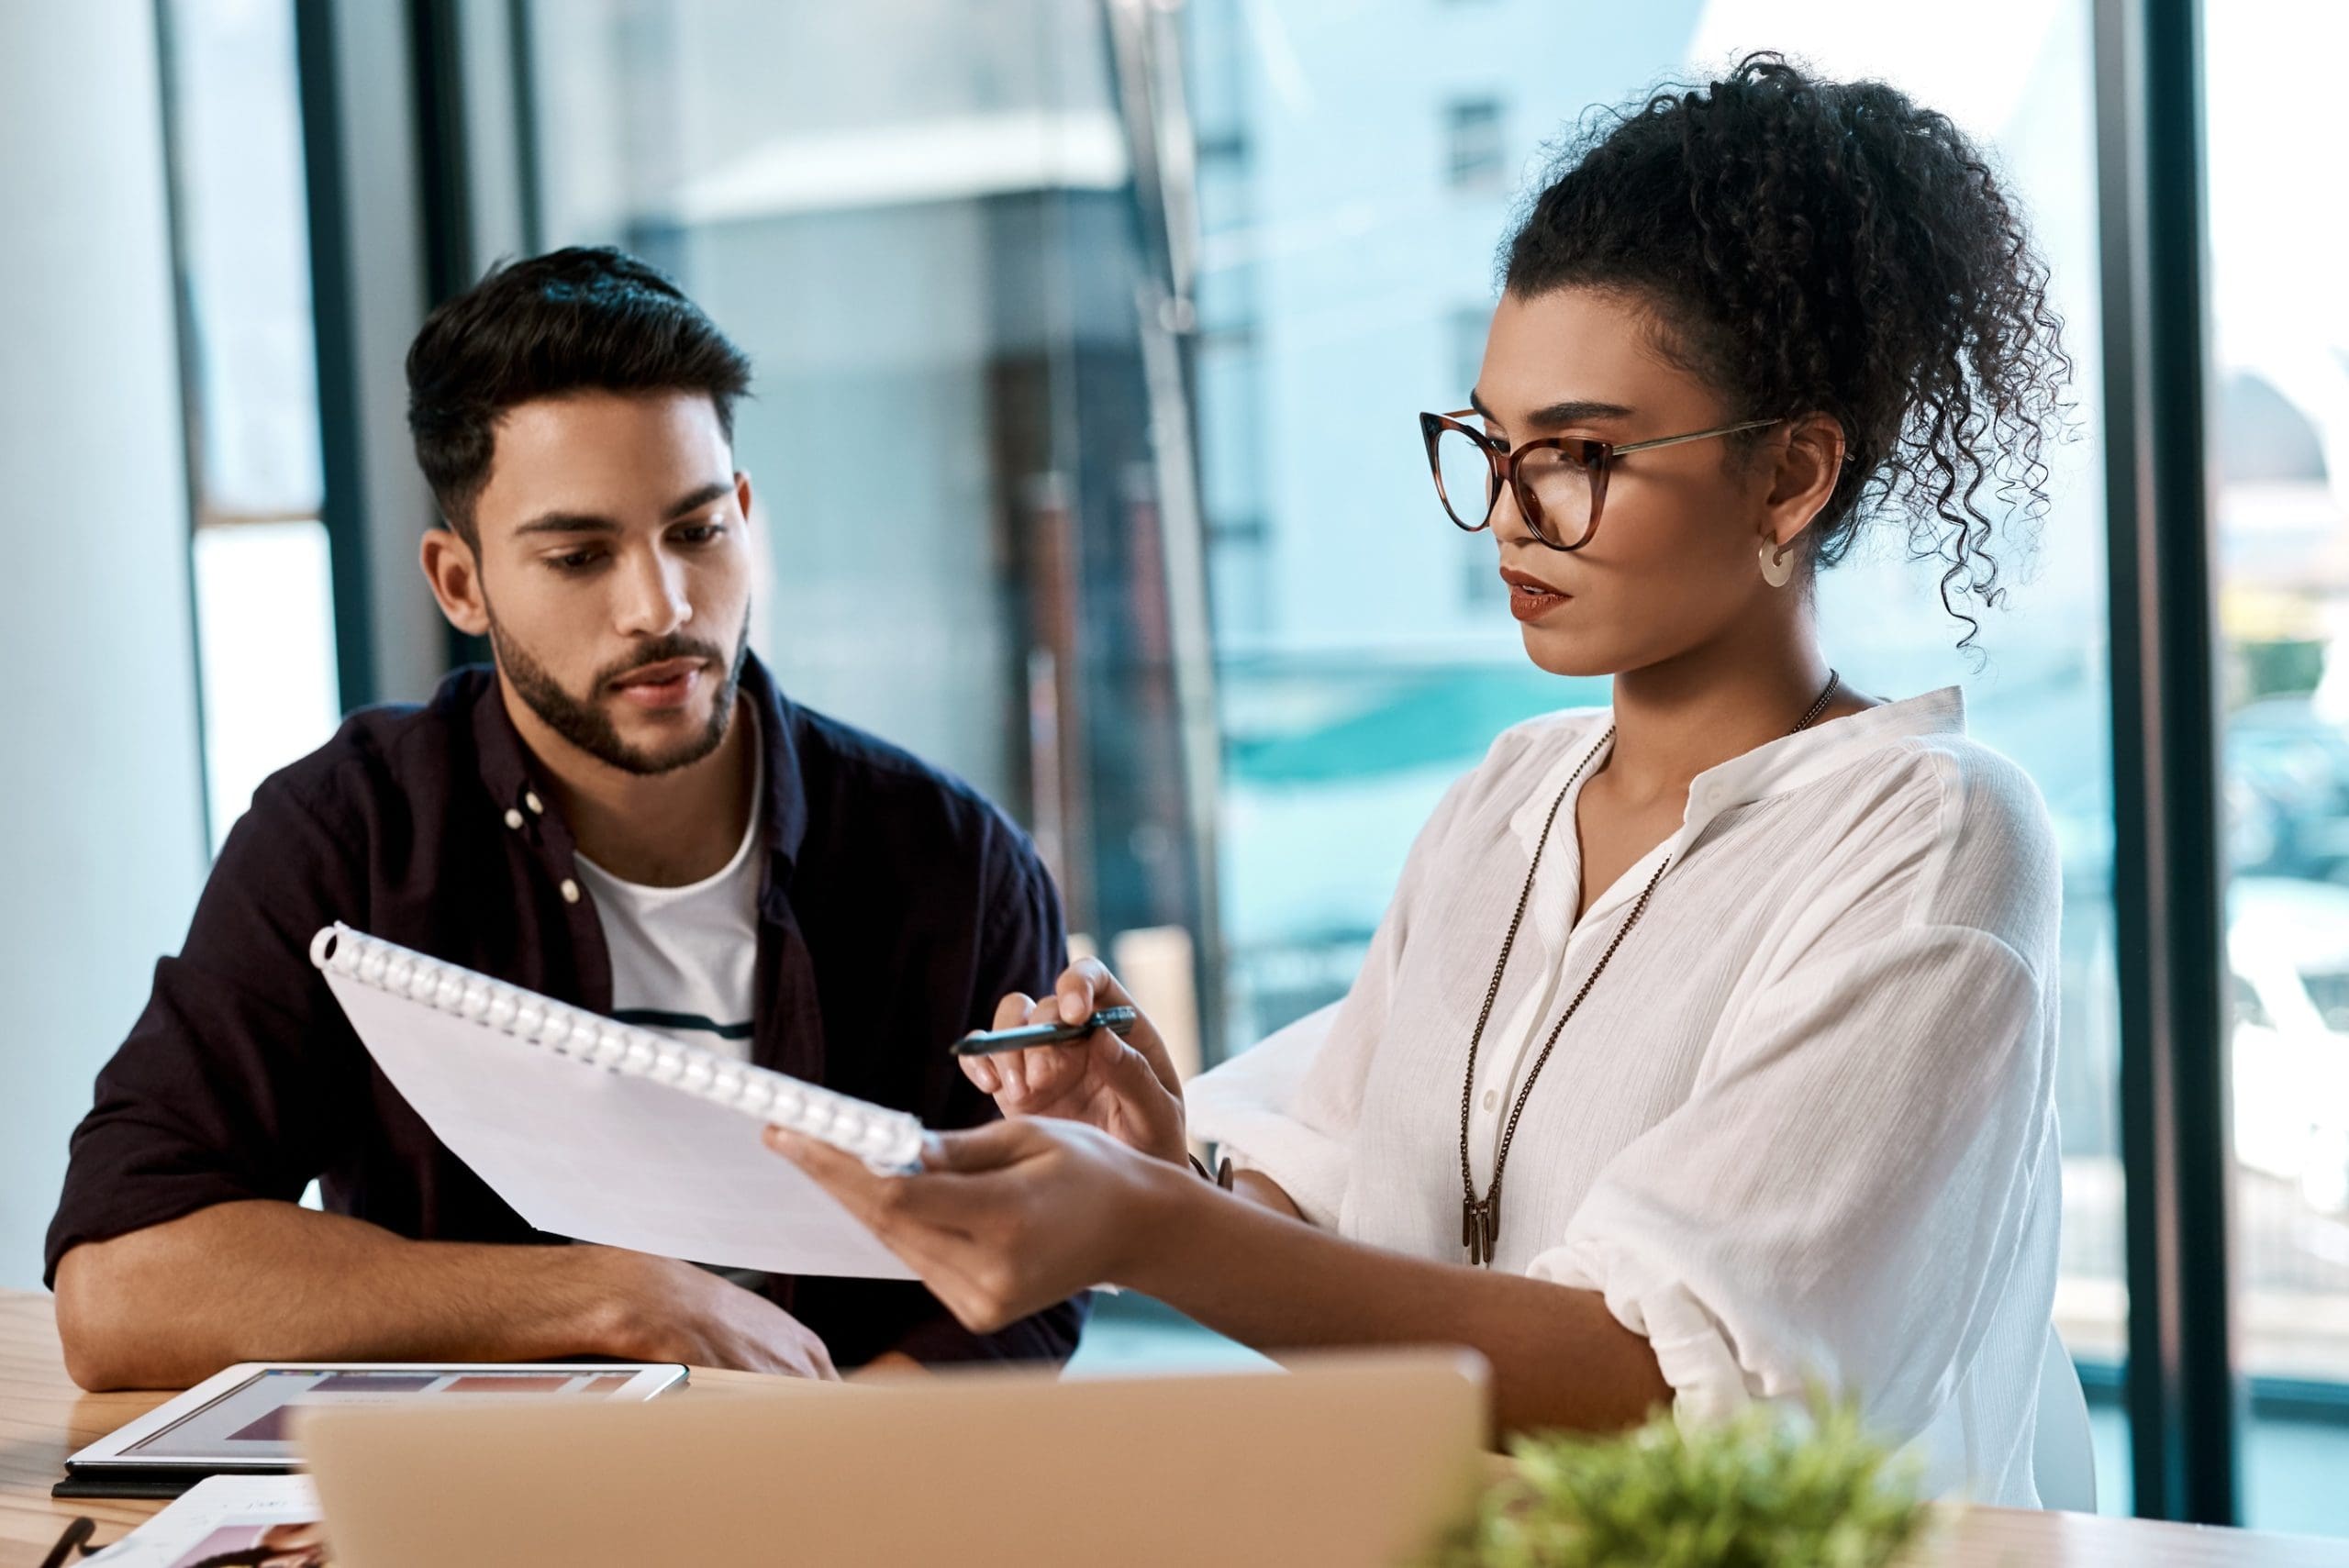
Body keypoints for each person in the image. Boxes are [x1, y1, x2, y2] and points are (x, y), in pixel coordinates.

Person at [771, 54, 2068, 1505]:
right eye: (1490, 444)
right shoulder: (1506, 805)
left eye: (1578, 453)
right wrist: (1166, 1163)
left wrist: (1152, 1225)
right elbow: (1348, 1222)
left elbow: (1672, 1388)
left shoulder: (1931, 837)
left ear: (1791, 477)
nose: (1508, 513)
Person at [49, 247, 1083, 1388]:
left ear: (744, 515)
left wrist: (805, 1465)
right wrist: (612, 1295)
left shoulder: (950, 859)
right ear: (460, 582)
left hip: (842, 1477)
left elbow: (1027, 1289)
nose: (661, 607)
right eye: (580, 556)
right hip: (486, 1489)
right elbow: (122, 1286)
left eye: (697, 531)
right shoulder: (352, 835)